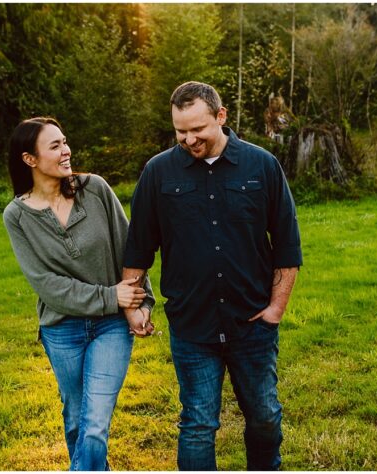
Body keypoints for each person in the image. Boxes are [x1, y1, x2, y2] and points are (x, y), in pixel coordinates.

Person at [122, 81, 302, 471]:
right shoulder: (158, 172)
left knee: (265, 416)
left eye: (197, 129)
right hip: (192, 324)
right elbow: (138, 248)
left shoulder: (262, 166)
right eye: (180, 131)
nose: (188, 139)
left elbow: (287, 244)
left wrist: (276, 309)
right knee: (198, 425)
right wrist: (134, 305)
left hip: (252, 322)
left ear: (221, 117)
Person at [2, 117, 155, 470]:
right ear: (30, 159)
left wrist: (139, 303)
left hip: (111, 326)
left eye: (65, 142)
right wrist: (110, 296)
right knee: (76, 420)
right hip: (62, 329)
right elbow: (48, 285)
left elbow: (130, 249)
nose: (66, 150)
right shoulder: (17, 216)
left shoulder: (95, 189)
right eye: (54, 146)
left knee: (95, 424)